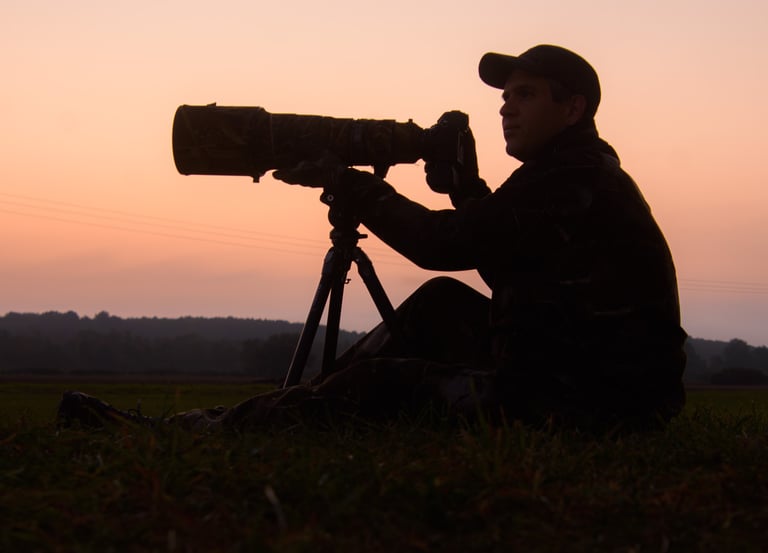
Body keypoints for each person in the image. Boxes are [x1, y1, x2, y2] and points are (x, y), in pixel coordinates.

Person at [58, 44, 686, 433]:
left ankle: (192, 432)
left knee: (380, 385)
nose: (505, 108)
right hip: (589, 373)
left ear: (572, 108)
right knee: (441, 301)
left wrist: (351, 186)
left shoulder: (572, 177)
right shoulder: (570, 174)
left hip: (595, 404)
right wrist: (464, 186)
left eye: (523, 95)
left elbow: (444, 244)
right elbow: (514, 266)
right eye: (503, 96)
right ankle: (279, 413)